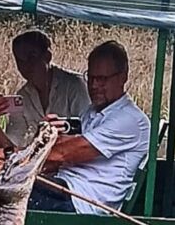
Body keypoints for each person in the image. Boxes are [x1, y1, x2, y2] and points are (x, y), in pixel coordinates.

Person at [0, 30, 90, 208]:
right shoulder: (23, 96)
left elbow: (85, 138)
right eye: (20, 60)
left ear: (48, 56)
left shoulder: (74, 87)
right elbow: (9, 146)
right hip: (34, 166)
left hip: (65, 174)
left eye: (32, 56)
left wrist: (1, 155)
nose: (26, 65)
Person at [26, 40, 150, 215]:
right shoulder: (91, 112)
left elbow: (60, 154)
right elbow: (62, 153)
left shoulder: (129, 119)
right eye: (91, 78)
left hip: (81, 203)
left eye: (102, 79)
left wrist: (2, 154)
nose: (93, 86)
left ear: (123, 77)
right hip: (64, 187)